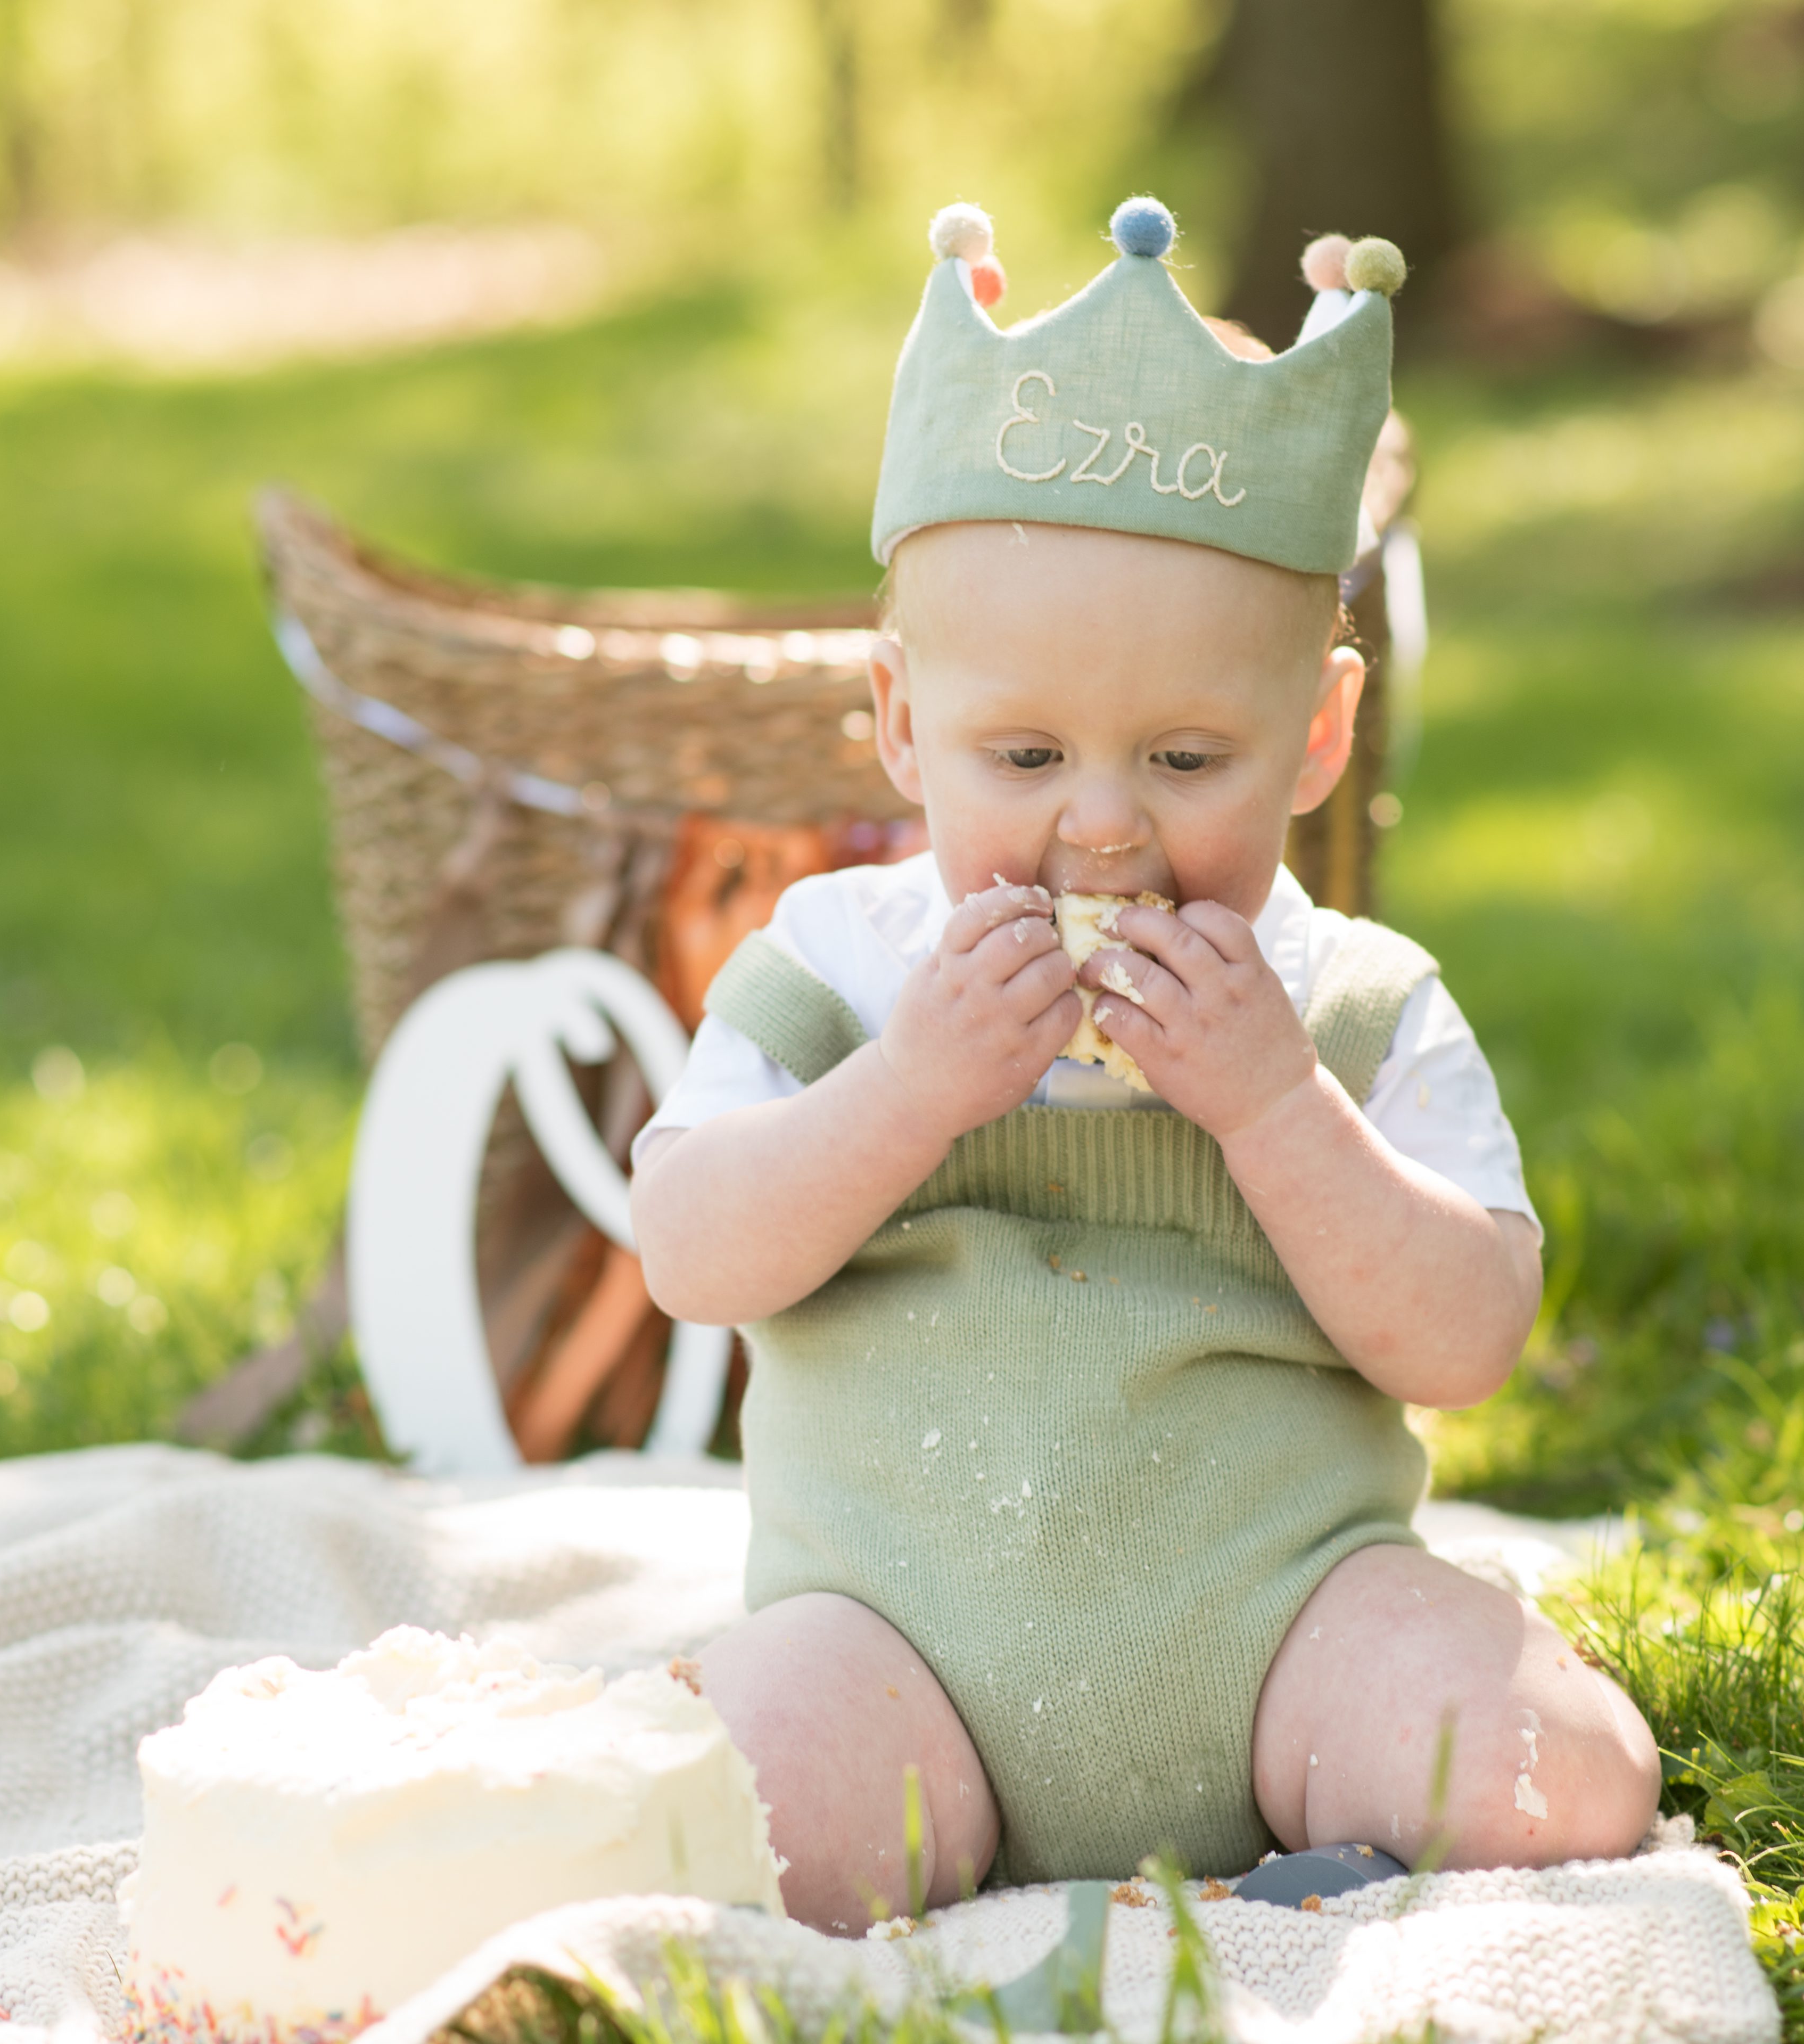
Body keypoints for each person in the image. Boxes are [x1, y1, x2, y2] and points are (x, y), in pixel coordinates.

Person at [629, 197, 1660, 1934]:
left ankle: (1304, 1882)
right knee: (710, 1821)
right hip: (898, 1646)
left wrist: (1274, 1108)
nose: (1101, 824)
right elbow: (689, 1252)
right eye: (1021, 753)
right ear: (896, 722)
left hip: (1281, 1629)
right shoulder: (833, 970)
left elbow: (1465, 1338)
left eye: (1188, 757)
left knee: (1564, 1772)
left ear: (1317, 736)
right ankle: (900, 1860)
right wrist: (908, 1093)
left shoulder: (1349, 1004)